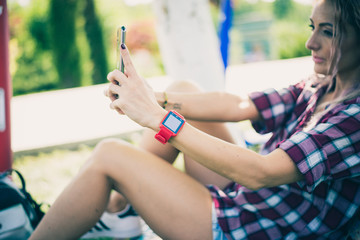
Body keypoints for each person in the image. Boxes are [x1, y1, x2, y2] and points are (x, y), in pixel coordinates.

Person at [30, 0, 360, 239]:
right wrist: (149, 95)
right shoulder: (323, 85)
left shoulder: (354, 120)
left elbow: (261, 173)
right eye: (312, 27)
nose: (310, 42)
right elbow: (239, 105)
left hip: (259, 228)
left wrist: (158, 118)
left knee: (109, 155)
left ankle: (112, 213)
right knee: (181, 91)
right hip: (258, 203)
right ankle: (119, 213)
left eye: (327, 32)